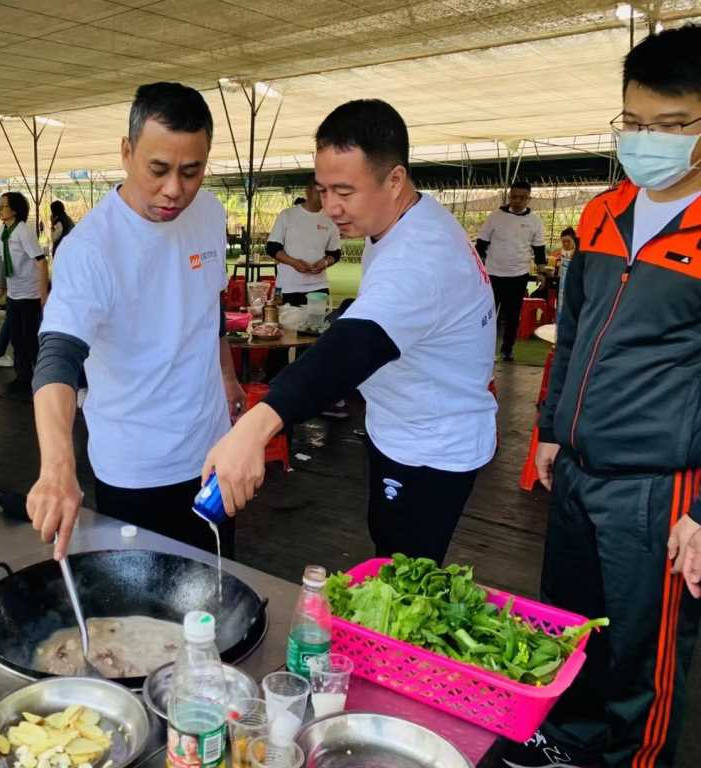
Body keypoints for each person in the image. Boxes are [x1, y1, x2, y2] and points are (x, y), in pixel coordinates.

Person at [504, 25, 701, 768]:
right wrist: (551, 429)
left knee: (640, 657)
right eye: (635, 123)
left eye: (672, 126)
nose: (649, 140)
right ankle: (570, 741)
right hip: (579, 466)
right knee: (573, 626)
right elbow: (575, 329)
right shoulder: (603, 211)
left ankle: (633, 760)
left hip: (661, 484)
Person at [201, 99, 497, 566]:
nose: (331, 208)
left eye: (344, 191)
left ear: (394, 179)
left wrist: (253, 430)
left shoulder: (420, 255)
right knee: (391, 552)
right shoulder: (411, 219)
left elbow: (348, 352)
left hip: (428, 447)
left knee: (405, 575)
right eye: (323, 189)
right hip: (411, 426)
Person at [26, 82, 246, 561]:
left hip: (212, 453)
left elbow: (210, 307)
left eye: (192, 171)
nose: (175, 190)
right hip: (136, 467)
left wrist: (227, 375)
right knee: (143, 618)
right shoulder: (91, 248)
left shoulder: (208, 212)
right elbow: (58, 357)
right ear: (127, 153)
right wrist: (58, 467)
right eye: (159, 169)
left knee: (215, 593)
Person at [476, 181, 547, 361]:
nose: (518, 201)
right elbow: (481, 244)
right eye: (514, 197)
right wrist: (477, 268)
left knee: (513, 316)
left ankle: (507, 349)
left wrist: (541, 271)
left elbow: (539, 249)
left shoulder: (535, 221)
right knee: (488, 314)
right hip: (493, 274)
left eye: (522, 198)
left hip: (518, 275)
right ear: (509, 196)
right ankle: (482, 348)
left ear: (529, 199)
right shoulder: (495, 217)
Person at [0, 191, 47, 394]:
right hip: (14, 294)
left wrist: (43, 293)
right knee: (17, 338)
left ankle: (39, 378)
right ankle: (23, 377)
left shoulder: (23, 231)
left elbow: (41, 261)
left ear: (15, 209)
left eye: (3, 207)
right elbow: (0, 258)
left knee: (30, 339)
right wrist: (1, 284)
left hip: (30, 294)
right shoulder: (1, 233)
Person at [266, 178, 342, 307]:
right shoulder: (287, 215)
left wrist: (324, 263)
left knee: (317, 325)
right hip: (289, 286)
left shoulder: (330, 220)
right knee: (288, 325)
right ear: (308, 191)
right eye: (320, 191)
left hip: (319, 287)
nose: (324, 196)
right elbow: (272, 247)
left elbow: (335, 253)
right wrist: (294, 263)